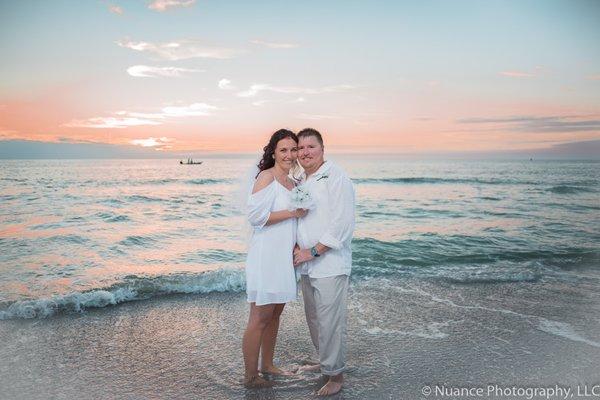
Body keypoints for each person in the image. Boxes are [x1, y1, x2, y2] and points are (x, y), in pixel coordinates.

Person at [241, 129, 308, 388]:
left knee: (275, 314)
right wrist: (292, 213)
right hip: (266, 255)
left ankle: (268, 365)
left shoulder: (294, 182)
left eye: (294, 149)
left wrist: (299, 245)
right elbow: (256, 218)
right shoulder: (266, 177)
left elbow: (300, 219)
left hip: (283, 257)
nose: (290, 155)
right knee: (259, 317)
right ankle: (250, 376)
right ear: (273, 152)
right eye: (284, 150)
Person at [293, 128, 356, 396]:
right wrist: (296, 246)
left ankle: (336, 376)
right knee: (315, 318)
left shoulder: (336, 176)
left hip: (329, 263)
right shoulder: (301, 179)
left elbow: (342, 223)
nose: (305, 152)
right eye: (301, 148)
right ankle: (325, 362)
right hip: (308, 265)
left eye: (311, 147)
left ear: (322, 149)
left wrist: (313, 251)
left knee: (330, 321)